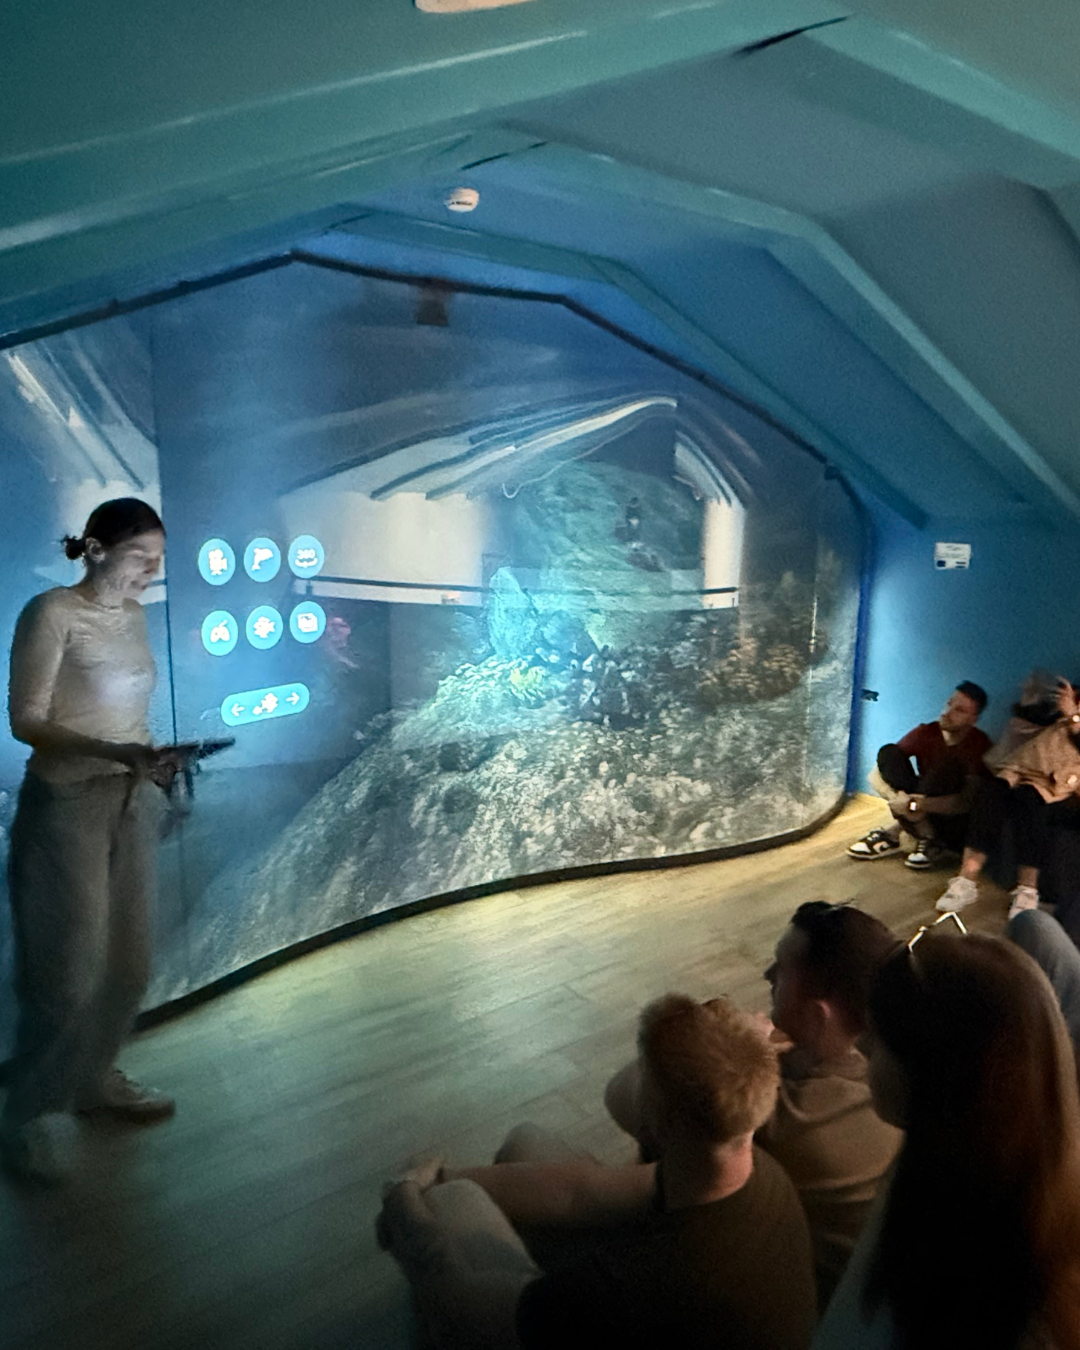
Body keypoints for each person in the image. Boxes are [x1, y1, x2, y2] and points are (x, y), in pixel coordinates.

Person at [377, 994, 817, 1350]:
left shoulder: (634, 1287)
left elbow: (458, 1302)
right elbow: (582, 1191)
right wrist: (443, 1174)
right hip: (671, 1316)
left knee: (451, 1207)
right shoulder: (750, 1170)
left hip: (633, 1308)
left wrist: (405, 1200)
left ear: (659, 1122)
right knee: (523, 1145)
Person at [1, 498, 191, 1183]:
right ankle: (22, 1116)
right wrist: (113, 753)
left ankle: (93, 1077)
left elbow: (128, 714)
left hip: (130, 798)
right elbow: (25, 720)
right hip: (66, 804)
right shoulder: (51, 613)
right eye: (142, 557)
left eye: (159, 559)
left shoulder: (134, 617)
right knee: (65, 973)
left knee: (129, 963)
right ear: (97, 550)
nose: (152, 571)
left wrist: (157, 767)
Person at [601, 902, 901, 1305]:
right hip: (860, 1294)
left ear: (818, 1015)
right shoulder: (886, 1074)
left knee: (532, 1143)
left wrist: (734, 1043)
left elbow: (624, 1092)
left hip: (802, 1304)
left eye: (782, 969)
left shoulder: (795, 1116)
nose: (767, 975)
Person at [814, 921, 1080, 1350]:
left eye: (880, 1038)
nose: (860, 1045)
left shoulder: (1007, 1304)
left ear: (934, 1078)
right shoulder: (963, 1174)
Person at [934, 674, 1080, 920]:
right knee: (990, 792)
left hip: (1057, 781)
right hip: (1023, 768)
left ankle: (1027, 890)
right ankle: (966, 880)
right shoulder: (1072, 697)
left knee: (1030, 800)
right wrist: (1031, 700)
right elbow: (1032, 721)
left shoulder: (1072, 712)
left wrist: (1072, 716)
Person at [847, 682, 990, 869]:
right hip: (918, 809)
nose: (947, 712)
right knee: (889, 753)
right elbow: (875, 773)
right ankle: (925, 837)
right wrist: (899, 800)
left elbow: (964, 803)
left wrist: (916, 805)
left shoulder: (979, 744)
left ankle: (903, 834)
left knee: (945, 767)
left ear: (973, 719)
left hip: (952, 820)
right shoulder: (927, 732)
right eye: (949, 704)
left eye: (959, 710)